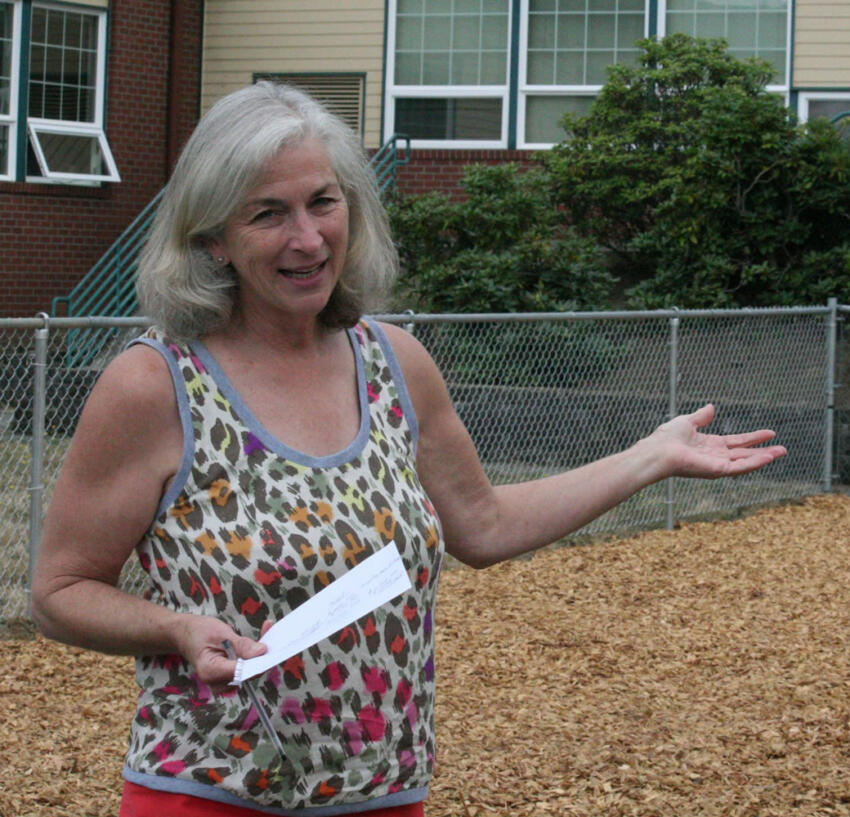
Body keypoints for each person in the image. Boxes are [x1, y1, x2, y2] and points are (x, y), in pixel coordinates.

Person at [30, 82, 786, 816]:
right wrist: (175, 628)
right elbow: (60, 592)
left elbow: (483, 526)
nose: (308, 237)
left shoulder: (394, 364)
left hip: (385, 792)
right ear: (213, 240)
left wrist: (652, 456)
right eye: (268, 214)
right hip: (206, 794)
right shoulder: (154, 384)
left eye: (323, 203)